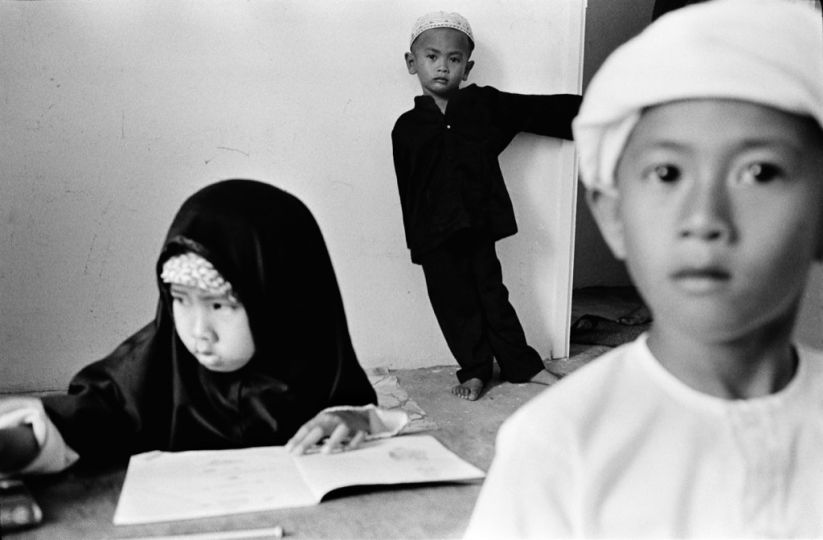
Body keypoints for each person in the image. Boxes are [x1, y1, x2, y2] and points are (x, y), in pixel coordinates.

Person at [465, 0, 823, 536]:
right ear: (613, 215)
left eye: (759, 171)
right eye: (666, 171)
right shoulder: (560, 445)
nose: (704, 218)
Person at [0, 179, 407, 476]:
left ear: (282, 301)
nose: (199, 331)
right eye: (179, 300)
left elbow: (360, 411)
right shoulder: (155, 364)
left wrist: (354, 419)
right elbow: (81, 419)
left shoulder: (314, 363)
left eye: (219, 305)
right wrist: (16, 445)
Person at [392, 11, 582, 401]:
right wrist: (416, 243)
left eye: (454, 59)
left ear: (468, 66)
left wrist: (605, 109)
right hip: (434, 236)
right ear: (412, 63)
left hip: (478, 226)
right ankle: (476, 370)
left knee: (493, 296)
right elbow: (406, 189)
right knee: (454, 304)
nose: (443, 66)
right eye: (432, 57)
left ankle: (523, 366)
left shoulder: (484, 106)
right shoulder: (406, 128)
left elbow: (540, 110)